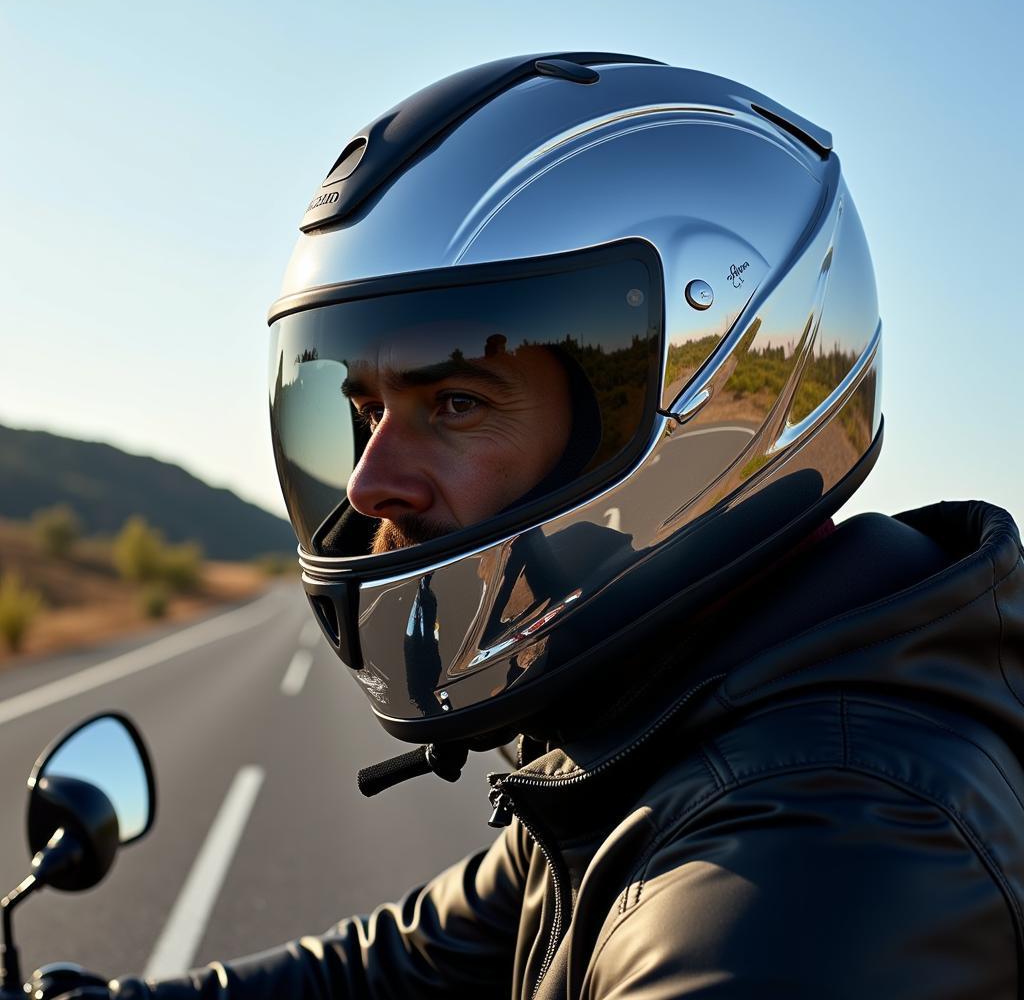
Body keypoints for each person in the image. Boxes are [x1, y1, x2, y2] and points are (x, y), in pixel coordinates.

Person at [56, 54, 1024, 999]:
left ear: (694, 389)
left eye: (455, 403)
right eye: (365, 407)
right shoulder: (651, 717)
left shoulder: (810, 867)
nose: (366, 484)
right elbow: (407, 962)